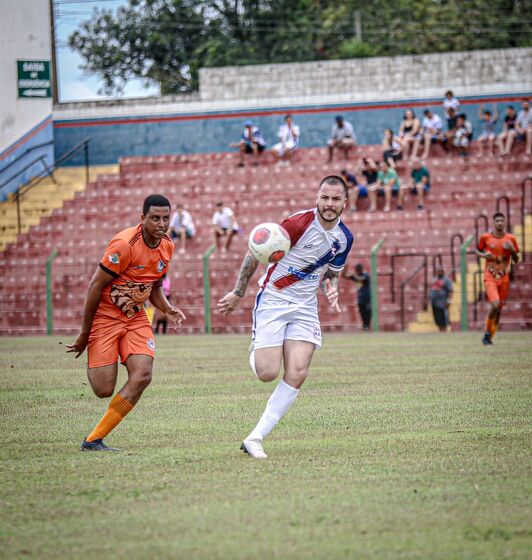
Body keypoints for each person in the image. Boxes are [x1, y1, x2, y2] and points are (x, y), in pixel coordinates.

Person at [217, 175, 354, 459]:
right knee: (268, 373)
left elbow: (332, 273)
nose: (329, 204)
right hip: (274, 300)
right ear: (317, 197)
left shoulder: (345, 238)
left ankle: (255, 438)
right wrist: (238, 291)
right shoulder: (297, 224)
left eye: (335, 199)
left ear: (345, 203)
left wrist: (332, 289)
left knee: (298, 371)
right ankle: (258, 347)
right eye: (324, 198)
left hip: (305, 308)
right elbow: (256, 253)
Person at [66, 194, 186, 451]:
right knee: (103, 389)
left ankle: (93, 439)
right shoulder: (124, 245)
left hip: (135, 318)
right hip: (105, 319)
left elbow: (153, 285)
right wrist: (84, 334)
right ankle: (102, 353)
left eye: (166, 218)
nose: (161, 224)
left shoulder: (167, 245)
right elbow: (94, 287)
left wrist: (166, 308)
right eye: (155, 218)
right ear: (142, 218)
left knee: (143, 375)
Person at [476, 212, 520, 345]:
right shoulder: (485, 237)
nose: (500, 223)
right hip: (490, 276)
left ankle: (489, 336)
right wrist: (484, 255)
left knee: (499, 308)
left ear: (505, 222)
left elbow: (516, 260)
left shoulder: (511, 239)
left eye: (502, 220)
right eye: (497, 221)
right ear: (493, 223)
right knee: (495, 304)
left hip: (504, 277)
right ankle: (487, 334)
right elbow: (478, 250)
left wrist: (512, 251)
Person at [344, 263, 371, 330]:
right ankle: (365, 326)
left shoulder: (366, 275)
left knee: (368, 312)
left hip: (368, 298)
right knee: (362, 313)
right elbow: (344, 276)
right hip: (361, 299)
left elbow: (360, 279)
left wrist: (353, 276)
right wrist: (345, 268)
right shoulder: (356, 276)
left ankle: (367, 326)